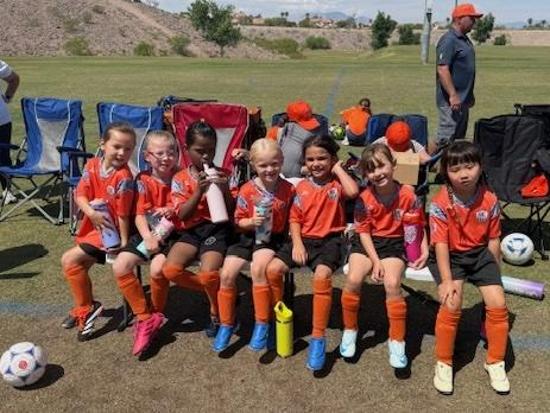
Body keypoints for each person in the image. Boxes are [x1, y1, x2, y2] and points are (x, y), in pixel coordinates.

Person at [265, 135, 359, 371]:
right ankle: (279, 317)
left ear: (332, 159)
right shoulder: (302, 187)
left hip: (330, 241)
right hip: (303, 239)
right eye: (311, 159)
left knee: (322, 276)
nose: (316, 164)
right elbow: (295, 219)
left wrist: (338, 168)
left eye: (322, 158)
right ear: (304, 162)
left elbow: (353, 191)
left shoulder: (337, 184)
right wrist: (297, 244)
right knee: (273, 269)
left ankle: (318, 337)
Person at [429, 141, 510, 395]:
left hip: (479, 254)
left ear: (480, 166)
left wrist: (494, 273)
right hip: (450, 256)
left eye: (469, 166)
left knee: (498, 302)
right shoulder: (440, 202)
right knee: (452, 302)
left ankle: (495, 361)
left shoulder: (490, 199)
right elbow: (441, 244)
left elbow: (494, 239)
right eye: (455, 169)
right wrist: (446, 280)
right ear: (445, 172)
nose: (464, 174)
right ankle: (444, 362)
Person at [339, 143, 428, 367]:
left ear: (394, 165)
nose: (377, 173)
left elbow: (418, 224)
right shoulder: (364, 197)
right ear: (365, 174)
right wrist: (375, 262)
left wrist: (425, 248)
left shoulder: (408, 195)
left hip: (394, 244)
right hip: (368, 242)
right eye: (370, 169)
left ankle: (397, 341)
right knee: (353, 279)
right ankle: (350, 330)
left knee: (392, 283)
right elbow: (363, 232)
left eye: (381, 166)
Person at [213, 139, 295, 352]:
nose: (270, 169)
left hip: (270, 238)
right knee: (226, 274)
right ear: (253, 165)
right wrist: (251, 221)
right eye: (263, 165)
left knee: (259, 269)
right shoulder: (247, 189)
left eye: (274, 164)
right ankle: (226, 323)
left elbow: (293, 219)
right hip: (246, 236)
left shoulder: (288, 189)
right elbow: (238, 221)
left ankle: (262, 323)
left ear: (282, 161)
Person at [60, 123, 136, 341]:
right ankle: (83, 306)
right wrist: (91, 213)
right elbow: (80, 195)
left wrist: (123, 243)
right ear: (103, 144)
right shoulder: (92, 165)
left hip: (110, 234)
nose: (122, 153)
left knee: (69, 260)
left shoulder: (124, 177)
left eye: (128, 149)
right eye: (117, 146)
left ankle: (86, 309)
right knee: (79, 267)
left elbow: (123, 214)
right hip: (93, 227)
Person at [160, 120, 235, 338]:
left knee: (208, 272)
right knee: (170, 270)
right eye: (200, 151)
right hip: (191, 230)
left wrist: (224, 189)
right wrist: (198, 192)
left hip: (216, 229)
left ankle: (216, 312)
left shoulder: (225, 174)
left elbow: (232, 211)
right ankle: (218, 291)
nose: (206, 156)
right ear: (186, 149)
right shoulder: (180, 178)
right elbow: (182, 215)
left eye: (211, 150)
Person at [111, 130, 179, 356]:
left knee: (158, 268)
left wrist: (172, 211)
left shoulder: (181, 177)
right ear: (147, 156)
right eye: (160, 153)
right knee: (120, 265)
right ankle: (145, 316)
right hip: (148, 232)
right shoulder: (143, 179)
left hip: (175, 235)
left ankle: (157, 313)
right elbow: (140, 214)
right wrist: (148, 237)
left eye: (171, 152)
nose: (166, 157)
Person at [435, 3, 484, 149]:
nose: (474, 22)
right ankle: (434, 160)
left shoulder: (464, 39)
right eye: (471, 18)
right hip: (451, 101)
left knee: (459, 141)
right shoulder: (449, 40)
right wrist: (453, 95)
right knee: (445, 140)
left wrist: (469, 95)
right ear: (459, 19)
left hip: (463, 100)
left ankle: (452, 162)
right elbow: (442, 69)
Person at [0, 60, 20, 204]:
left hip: (1, 121)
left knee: (2, 156)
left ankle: (7, 190)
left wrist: (7, 97)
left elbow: (14, 79)